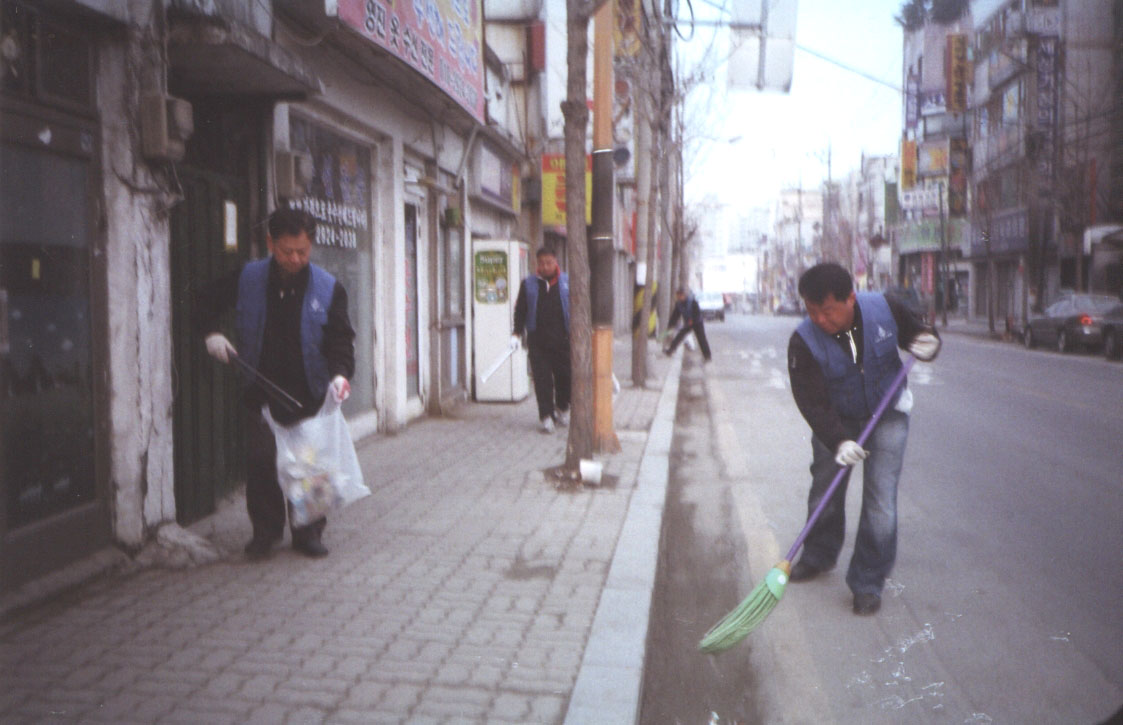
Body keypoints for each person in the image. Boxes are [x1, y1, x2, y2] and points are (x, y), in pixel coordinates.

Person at [200, 207, 356, 559]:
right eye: (287, 251)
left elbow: (341, 341)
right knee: (263, 463)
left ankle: (309, 532)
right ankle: (265, 532)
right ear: (271, 243)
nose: (295, 259)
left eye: (303, 251)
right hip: (260, 390)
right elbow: (204, 302)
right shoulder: (247, 278)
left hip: (309, 393)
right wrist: (212, 334)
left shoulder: (329, 289)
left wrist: (341, 374)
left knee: (310, 465)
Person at [786, 262, 940, 615]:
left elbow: (919, 334)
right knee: (825, 489)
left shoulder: (885, 309)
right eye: (812, 312)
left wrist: (930, 344)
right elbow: (810, 400)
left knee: (880, 501)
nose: (820, 320)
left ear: (850, 299)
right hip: (835, 419)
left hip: (887, 414)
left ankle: (868, 581)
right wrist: (838, 441)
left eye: (827, 311)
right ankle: (819, 554)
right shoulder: (803, 340)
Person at [513, 247, 570, 433]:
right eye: (541, 263)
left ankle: (561, 408)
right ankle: (546, 416)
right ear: (537, 264)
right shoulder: (528, 284)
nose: (545, 267)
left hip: (563, 341)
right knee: (542, 380)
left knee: (565, 379)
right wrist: (516, 333)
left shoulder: (566, 282)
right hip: (538, 341)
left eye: (549, 263)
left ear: (556, 262)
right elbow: (520, 310)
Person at [664, 288, 712, 361]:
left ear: (684, 295)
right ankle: (670, 351)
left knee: (701, 339)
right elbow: (675, 315)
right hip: (688, 323)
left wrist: (692, 320)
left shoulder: (692, 301)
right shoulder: (679, 304)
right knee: (680, 336)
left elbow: (697, 313)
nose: (679, 298)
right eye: (678, 296)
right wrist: (671, 325)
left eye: (680, 296)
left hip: (697, 322)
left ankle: (707, 356)